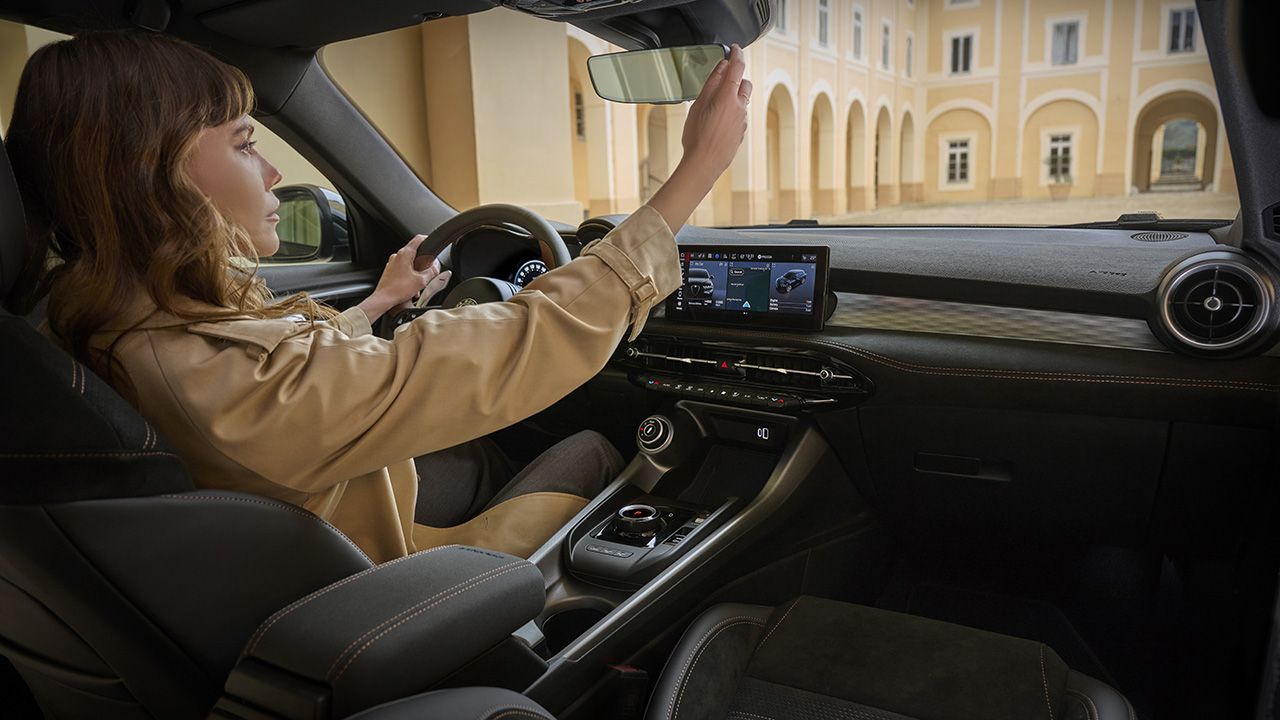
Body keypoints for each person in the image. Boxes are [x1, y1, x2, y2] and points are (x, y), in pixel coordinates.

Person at [2, 30, 750, 563]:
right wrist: (690, 179)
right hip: (385, 579)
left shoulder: (109, 318)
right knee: (590, 447)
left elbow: (297, 376)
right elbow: (506, 347)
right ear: (152, 171)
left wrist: (379, 304)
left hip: (322, 518)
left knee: (475, 452)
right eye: (242, 142)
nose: (269, 175)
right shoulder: (200, 370)